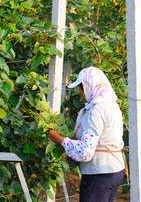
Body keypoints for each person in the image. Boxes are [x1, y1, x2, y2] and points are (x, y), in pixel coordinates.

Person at [49, 66, 127, 202]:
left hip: (99, 174)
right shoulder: (112, 105)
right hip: (115, 170)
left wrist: (60, 140)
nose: (81, 93)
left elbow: (85, 151)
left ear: (90, 87)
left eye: (82, 88)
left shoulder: (96, 111)